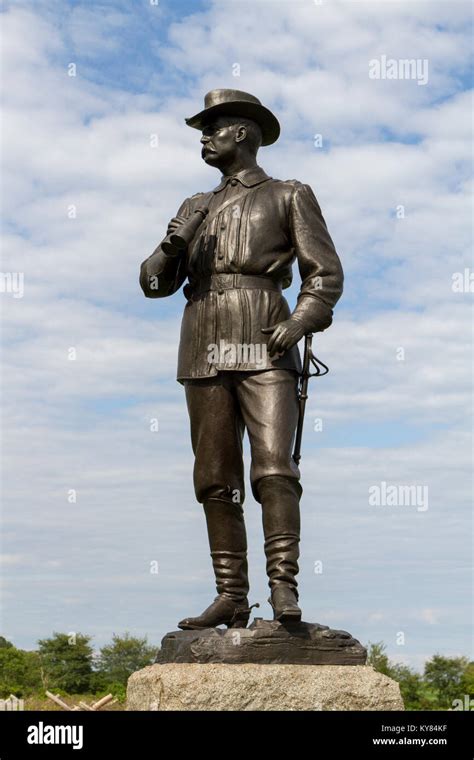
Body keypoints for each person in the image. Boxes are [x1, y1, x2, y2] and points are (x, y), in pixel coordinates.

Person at [140, 89, 344, 629]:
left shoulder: (288, 194)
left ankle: (284, 591)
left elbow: (323, 275)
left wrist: (299, 323)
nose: (204, 138)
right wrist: (172, 247)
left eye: (214, 128)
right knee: (213, 477)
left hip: (264, 341)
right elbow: (154, 285)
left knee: (275, 468)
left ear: (244, 134)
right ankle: (231, 594)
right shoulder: (193, 208)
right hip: (203, 342)